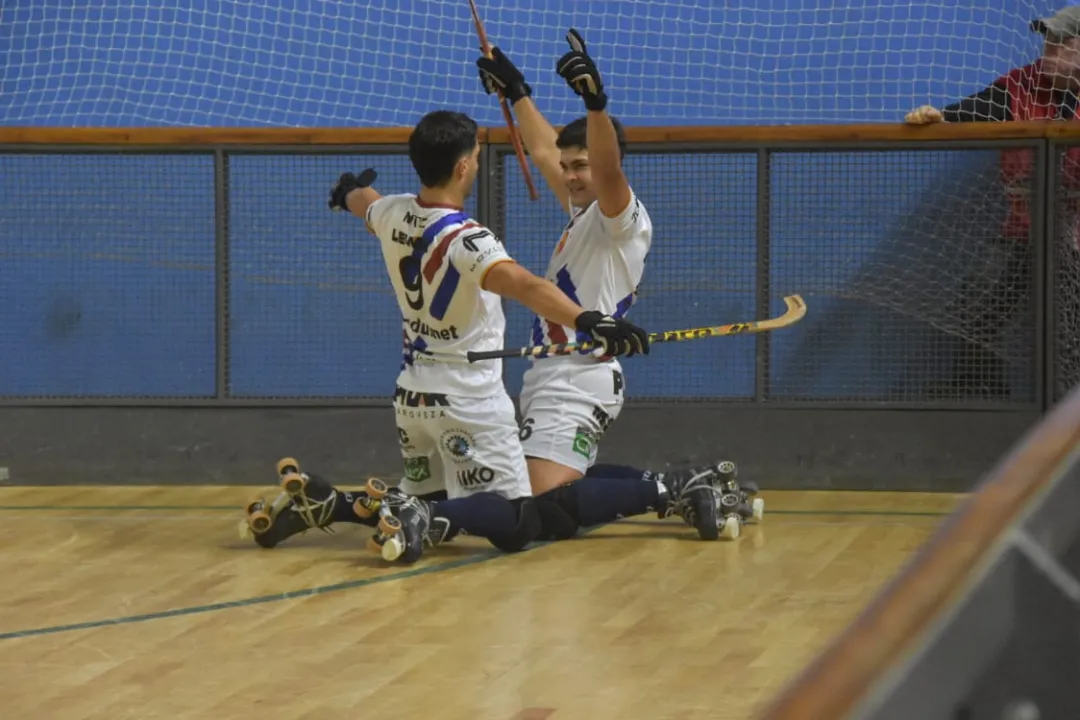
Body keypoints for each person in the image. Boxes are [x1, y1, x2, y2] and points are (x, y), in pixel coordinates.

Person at [241, 109, 649, 563]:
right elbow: (526, 286)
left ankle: (333, 504)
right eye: (475, 157)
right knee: (520, 521)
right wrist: (590, 320)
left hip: (411, 395)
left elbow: (364, 201)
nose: (476, 163)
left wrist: (347, 191)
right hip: (467, 398)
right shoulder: (468, 240)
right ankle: (417, 516)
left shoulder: (392, 213)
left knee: (437, 497)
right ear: (462, 168)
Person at [475, 28, 763, 541]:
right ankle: (681, 485)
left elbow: (606, 169)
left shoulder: (620, 218)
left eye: (579, 166)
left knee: (541, 509)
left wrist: (595, 104)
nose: (570, 176)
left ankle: (673, 489)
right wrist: (518, 92)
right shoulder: (582, 211)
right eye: (568, 168)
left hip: (579, 379)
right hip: (551, 376)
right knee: (531, 490)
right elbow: (546, 152)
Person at [904, 5, 1080, 397]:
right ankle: (979, 396)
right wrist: (937, 116)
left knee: (1072, 329)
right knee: (977, 308)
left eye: (1060, 48)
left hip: (1075, 234)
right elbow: (967, 113)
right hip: (1025, 230)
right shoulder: (1020, 85)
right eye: (1047, 46)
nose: (1046, 56)